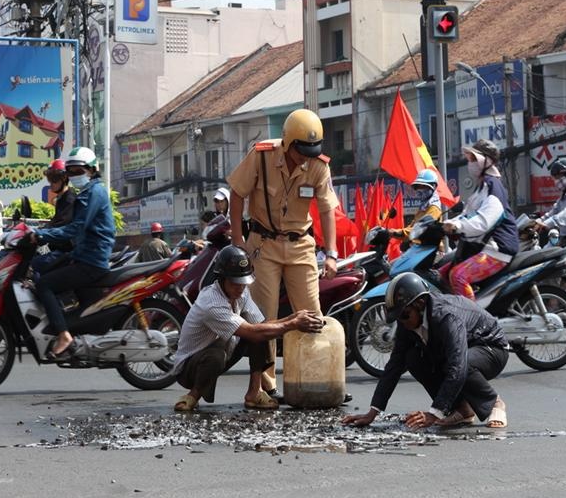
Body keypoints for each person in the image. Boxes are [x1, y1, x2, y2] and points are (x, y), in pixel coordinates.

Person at [228, 108, 339, 400]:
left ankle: (314, 379)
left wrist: (331, 253)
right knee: (265, 316)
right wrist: (238, 238)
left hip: (301, 244)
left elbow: (327, 209)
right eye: (301, 150)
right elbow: (237, 192)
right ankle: (268, 386)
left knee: (312, 313)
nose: (306, 157)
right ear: (288, 143)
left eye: (311, 150)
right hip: (263, 243)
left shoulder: (318, 166)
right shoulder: (262, 156)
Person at [342, 272, 509, 430]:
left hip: (492, 348)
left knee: (461, 363)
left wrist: (433, 413)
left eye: (405, 315)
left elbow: (458, 366)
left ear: (420, 304)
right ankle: (462, 409)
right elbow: (394, 365)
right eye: (398, 317)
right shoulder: (406, 321)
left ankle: (493, 402)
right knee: (412, 358)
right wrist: (372, 412)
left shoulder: (447, 317)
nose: (402, 322)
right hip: (461, 353)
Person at [172, 245, 324, 411]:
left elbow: (260, 327)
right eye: (235, 283)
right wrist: (293, 324)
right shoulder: (211, 304)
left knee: (262, 332)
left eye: (243, 283)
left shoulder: (242, 293)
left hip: (223, 351)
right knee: (220, 353)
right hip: (190, 366)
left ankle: (254, 393)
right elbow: (252, 332)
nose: (240, 288)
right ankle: (193, 396)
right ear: (222, 279)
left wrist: (292, 318)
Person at [30, 147, 116, 359]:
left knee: (44, 284)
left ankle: (63, 334)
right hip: (83, 254)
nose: (75, 176)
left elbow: (76, 228)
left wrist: (41, 235)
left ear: (92, 170)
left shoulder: (94, 193)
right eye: (71, 172)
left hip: (91, 259)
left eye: (79, 171)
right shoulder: (87, 192)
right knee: (43, 271)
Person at [441, 139, 519, 300]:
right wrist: (448, 224)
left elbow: (484, 221)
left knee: (458, 276)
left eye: (473, 159)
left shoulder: (493, 187)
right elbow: (468, 214)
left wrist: (458, 225)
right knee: (440, 275)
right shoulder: (482, 186)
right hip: (480, 247)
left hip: (497, 250)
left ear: (486, 161)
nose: (470, 163)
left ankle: (475, 321)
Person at [31, 158, 77, 275]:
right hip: (58, 250)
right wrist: (34, 231)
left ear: (65, 179)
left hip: (66, 252)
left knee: (33, 267)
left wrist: (40, 235)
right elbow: (54, 222)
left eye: (55, 179)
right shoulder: (61, 198)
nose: (51, 183)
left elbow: (61, 224)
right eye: (50, 179)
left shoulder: (70, 199)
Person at [388, 169, 443, 242]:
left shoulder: (434, 207)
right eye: (418, 187)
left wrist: (395, 232)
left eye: (424, 186)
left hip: (430, 248)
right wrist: (393, 233)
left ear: (433, 186)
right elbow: (412, 228)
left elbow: (422, 228)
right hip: (418, 248)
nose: (420, 190)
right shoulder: (423, 207)